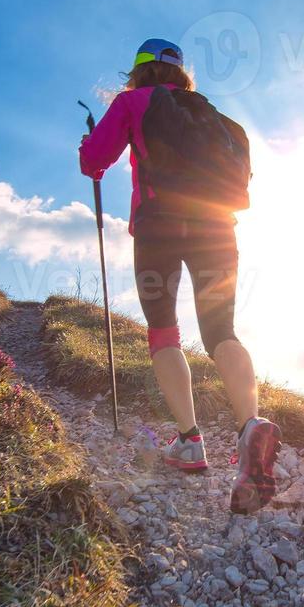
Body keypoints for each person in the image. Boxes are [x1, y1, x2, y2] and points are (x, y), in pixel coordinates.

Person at [79, 38, 281, 514]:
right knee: (221, 332)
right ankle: (250, 427)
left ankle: (190, 442)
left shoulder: (132, 102)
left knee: (164, 333)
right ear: (180, 74)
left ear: (138, 72)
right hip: (216, 227)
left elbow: (94, 161)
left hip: (158, 230)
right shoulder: (210, 115)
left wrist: (88, 143)